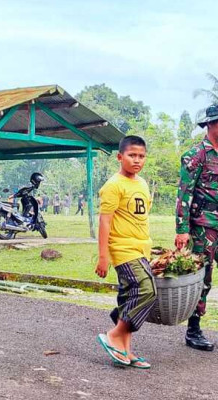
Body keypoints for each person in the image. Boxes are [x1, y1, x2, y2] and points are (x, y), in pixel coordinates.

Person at [95, 135, 156, 369]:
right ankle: (114, 334)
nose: (137, 160)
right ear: (120, 157)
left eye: (141, 156)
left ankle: (126, 350)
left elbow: (140, 219)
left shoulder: (141, 184)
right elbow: (105, 222)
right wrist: (103, 256)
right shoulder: (113, 185)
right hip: (123, 250)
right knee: (147, 290)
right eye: (132, 155)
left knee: (129, 296)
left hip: (141, 249)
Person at [175, 104, 218, 351]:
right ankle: (194, 330)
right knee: (204, 277)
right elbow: (184, 194)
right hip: (203, 226)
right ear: (211, 124)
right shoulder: (196, 155)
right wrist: (182, 228)